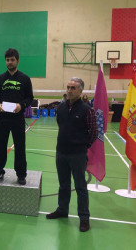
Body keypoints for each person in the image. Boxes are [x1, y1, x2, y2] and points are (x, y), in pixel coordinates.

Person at [46, 77, 97, 232]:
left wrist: (82, 145)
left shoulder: (87, 110)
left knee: (80, 187)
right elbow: (60, 124)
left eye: (73, 88)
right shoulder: (60, 107)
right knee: (63, 185)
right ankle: (62, 210)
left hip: (78, 155)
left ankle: (84, 218)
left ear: (81, 91)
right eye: (68, 87)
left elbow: (94, 133)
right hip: (61, 152)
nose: (69, 90)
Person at [0, 48, 33, 185]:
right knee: (0, 146)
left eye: (12, 60)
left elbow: (29, 98)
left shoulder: (25, 79)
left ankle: (21, 174)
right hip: (2, 119)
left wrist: (21, 106)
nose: (9, 62)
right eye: (7, 60)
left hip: (18, 119)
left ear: (17, 61)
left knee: (20, 147)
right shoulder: (0, 79)